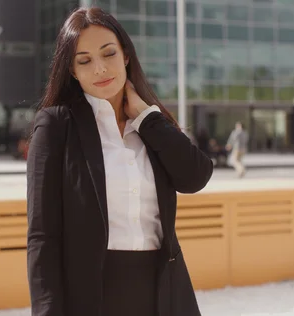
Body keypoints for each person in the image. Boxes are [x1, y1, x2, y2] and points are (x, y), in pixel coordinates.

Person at [26, 7, 214, 316]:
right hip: (91, 296)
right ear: (72, 70)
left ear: (125, 55)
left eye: (108, 54)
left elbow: (195, 177)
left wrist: (146, 118)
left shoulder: (150, 125)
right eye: (84, 60)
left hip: (163, 293)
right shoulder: (56, 126)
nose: (99, 69)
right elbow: (42, 236)